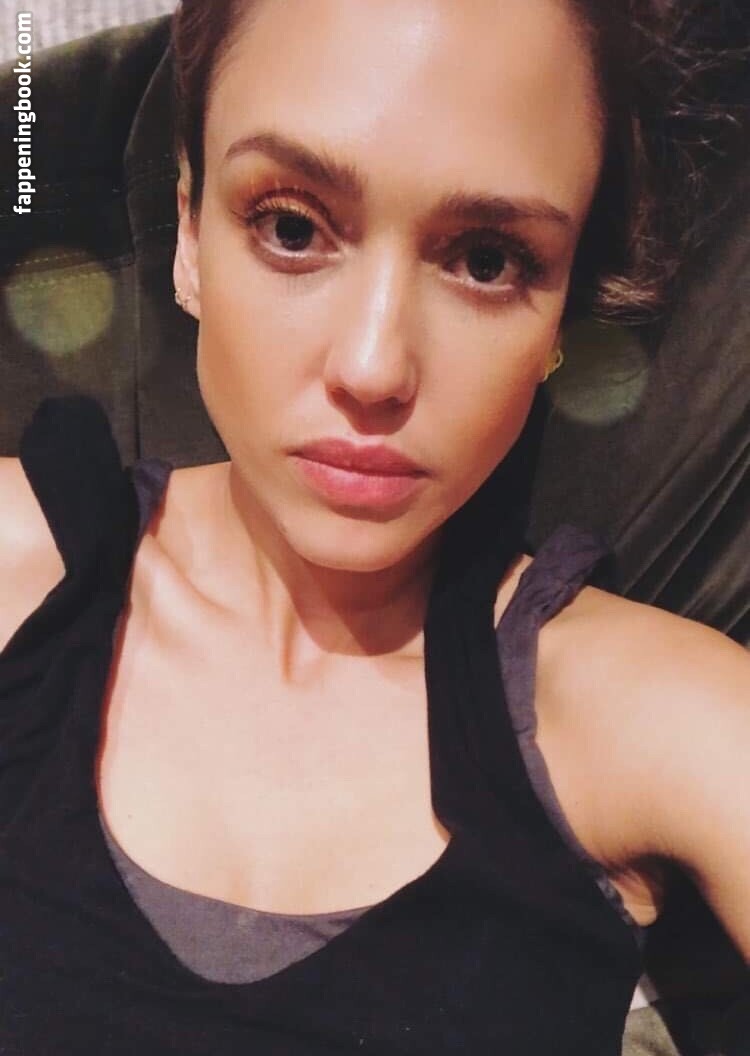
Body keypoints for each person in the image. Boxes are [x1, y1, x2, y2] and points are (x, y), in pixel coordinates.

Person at [0, 1, 748, 1052]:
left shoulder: (646, 713)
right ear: (189, 234)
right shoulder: (19, 569)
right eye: (291, 228)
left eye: (486, 260)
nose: (373, 366)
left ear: (563, 312)